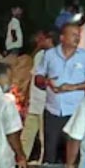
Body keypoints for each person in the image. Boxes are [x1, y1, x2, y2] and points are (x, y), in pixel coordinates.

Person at [33, 23, 85, 164]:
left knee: (72, 156)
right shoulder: (49, 55)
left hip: (75, 113)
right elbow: (38, 78)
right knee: (50, 154)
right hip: (52, 112)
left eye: (79, 35)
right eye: (74, 35)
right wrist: (47, 82)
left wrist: (74, 87)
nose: (77, 38)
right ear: (63, 37)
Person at [21, 30, 55, 160]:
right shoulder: (39, 55)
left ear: (49, 39)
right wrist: (26, 98)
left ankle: (42, 166)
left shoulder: (57, 58)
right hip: (34, 102)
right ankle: (21, 161)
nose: (38, 41)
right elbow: (33, 77)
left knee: (43, 137)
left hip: (46, 104)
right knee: (26, 135)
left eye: (41, 38)